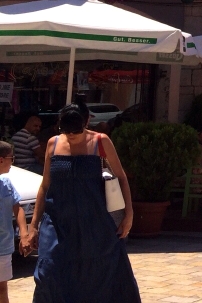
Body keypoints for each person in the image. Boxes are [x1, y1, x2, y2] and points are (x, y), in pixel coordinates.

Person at [28, 103, 140, 302]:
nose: (71, 135)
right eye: (66, 130)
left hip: (93, 221)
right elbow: (45, 186)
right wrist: (33, 225)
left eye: (76, 130)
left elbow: (121, 177)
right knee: (49, 271)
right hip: (58, 220)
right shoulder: (53, 144)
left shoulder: (100, 141)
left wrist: (128, 215)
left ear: (85, 123)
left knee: (97, 274)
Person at [0, 142, 27, 303]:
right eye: (12, 158)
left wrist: (23, 233)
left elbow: (18, 208)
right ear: (1, 160)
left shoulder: (6, 184)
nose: (13, 162)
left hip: (3, 246)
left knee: (2, 288)